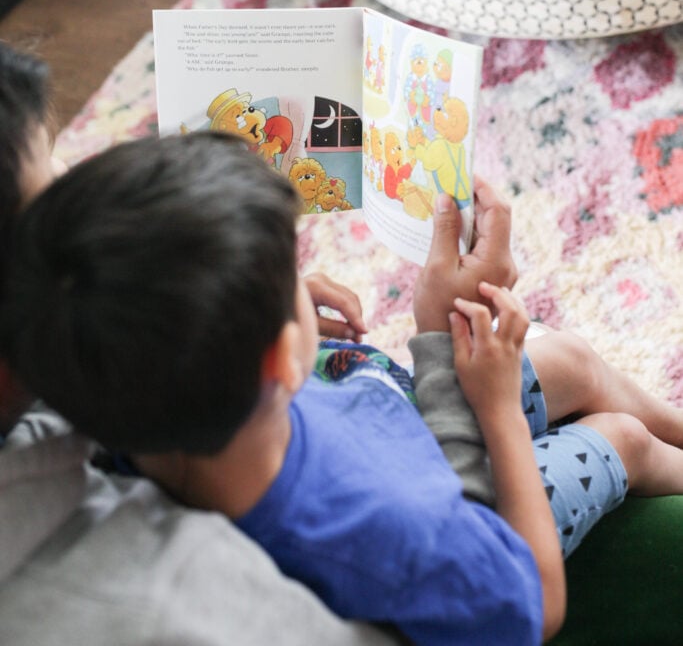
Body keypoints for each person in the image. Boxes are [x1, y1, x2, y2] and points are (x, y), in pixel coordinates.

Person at [6, 135, 680, 644]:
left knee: (566, 360)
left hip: (385, 427)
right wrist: (496, 407)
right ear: (278, 359)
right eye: (292, 278)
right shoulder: (389, 531)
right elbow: (533, 601)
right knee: (620, 438)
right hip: (463, 502)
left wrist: (278, 311)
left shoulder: (122, 397)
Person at [0, 40, 397, 646]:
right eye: (51, 201)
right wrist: (466, 402)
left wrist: (224, 295)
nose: (71, 177)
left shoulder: (92, 388)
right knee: (561, 371)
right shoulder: (163, 600)